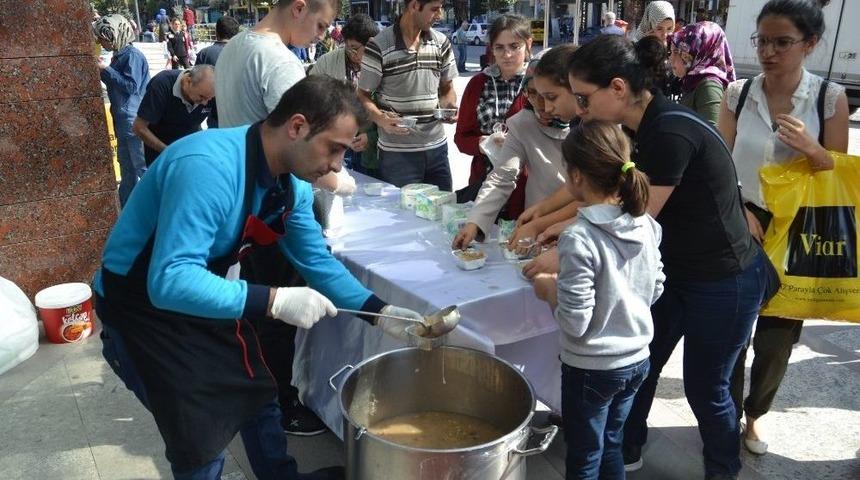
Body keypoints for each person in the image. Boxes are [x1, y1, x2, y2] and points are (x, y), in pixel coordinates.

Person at [94, 75, 426, 480]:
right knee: (203, 436)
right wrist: (275, 301)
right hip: (141, 311)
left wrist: (383, 313)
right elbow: (170, 280)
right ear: (298, 126)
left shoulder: (294, 187)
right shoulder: (208, 167)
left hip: (202, 292)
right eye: (334, 149)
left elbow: (317, 263)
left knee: (258, 391)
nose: (337, 166)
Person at [566, 35, 771, 479]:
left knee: (706, 387)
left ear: (617, 89)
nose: (579, 111)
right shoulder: (638, 129)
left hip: (724, 279)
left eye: (584, 99)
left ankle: (722, 468)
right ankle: (627, 448)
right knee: (642, 360)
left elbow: (626, 221)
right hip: (676, 270)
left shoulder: (669, 131)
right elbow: (597, 199)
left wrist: (558, 256)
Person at [718, 0, 849, 457]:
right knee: (730, 330)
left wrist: (814, 150)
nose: (769, 51)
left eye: (782, 42)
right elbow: (718, 165)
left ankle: (754, 417)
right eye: (763, 40)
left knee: (776, 340)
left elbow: (836, 175)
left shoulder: (829, 98)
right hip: (741, 221)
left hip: (796, 231)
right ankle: (725, 415)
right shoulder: (738, 92)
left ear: (809, 44)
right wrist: (738, 210)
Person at [215, 0, 343, 437]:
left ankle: (258, 396)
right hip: (274, 208)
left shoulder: (235, 46)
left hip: (246, 203)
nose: (322, 35)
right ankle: (279, 405)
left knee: (256, 310)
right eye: (322, 24)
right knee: (276, 317)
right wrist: (338, 180)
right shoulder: (279, 61)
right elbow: (309, 145)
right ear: (299, 8)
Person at [532, 121, 664, 480]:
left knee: (585, 455)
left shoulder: (579, 238)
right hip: (637, 359)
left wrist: (549, 290)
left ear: (575, 176)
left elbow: (576, 323)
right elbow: (655, 288)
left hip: (592, 367)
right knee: (611, 443)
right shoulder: (647, 225)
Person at [452, 45, 575, 251]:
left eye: (550, 97)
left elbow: (594, 194)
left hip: (578, 223)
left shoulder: (593, 124)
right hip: (536, 225)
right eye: (532, 93)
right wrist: (475, 221)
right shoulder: (521, 123)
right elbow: (502, 176)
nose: (542, 105)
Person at [357, 0, 459, 191]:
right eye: (434, 9)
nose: (440, 15)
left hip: (437, 150)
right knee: (403, 216)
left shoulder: (441, 43)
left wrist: (449, 106)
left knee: (442, 214)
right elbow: (362, 95)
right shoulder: (379, 46)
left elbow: (447, 88)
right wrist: (381, 119)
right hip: (397, 155)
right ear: (414, 6)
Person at [453, 14, 531, 206]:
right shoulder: (478, 83)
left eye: (514, 46)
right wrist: (484, 143)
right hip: (485, 182)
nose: (507, 55)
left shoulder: (539, 83)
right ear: (491, 49)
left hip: (528, 187)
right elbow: (461, 138)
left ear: (528, 43)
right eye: (500, 47)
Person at [93, 14, 150, 208]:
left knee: (141, 166)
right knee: (127, 169)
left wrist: (105, 70)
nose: (100, 42)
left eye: (103, 37)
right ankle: (125, 208)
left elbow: (130, 86)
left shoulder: (132, 56)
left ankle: (160, 207)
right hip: (123, 120)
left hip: (132, 121)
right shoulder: (121, 55)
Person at [310, 14, 380, 171]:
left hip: (370, 146)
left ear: (370, 44)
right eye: (348, 48)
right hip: (335, 141)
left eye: (355, 48)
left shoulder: (382, 63)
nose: (351, 53)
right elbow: (309, 98)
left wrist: (372, 137)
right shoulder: (327, 62)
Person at [133, 65, 216, 166]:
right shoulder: (162, 84)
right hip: (160, 151)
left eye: (210, 98)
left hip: (190, 150)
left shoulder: (210, 92)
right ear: (187, 81)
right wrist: (170, 152)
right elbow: (139, 127)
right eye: (201, 97)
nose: (205, 103)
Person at [669, 21, 735, 125]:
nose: (671, 59)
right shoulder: (692, 80)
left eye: (676, 52)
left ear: (697, 52)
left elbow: (713, 136)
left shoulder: (709, 86)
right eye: (671, 52)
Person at [195, 16, 240, 128]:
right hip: (242, 115)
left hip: (215, 113)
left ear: (216, 32)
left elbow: (196, 85)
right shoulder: (246, 52)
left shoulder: (204, 54)